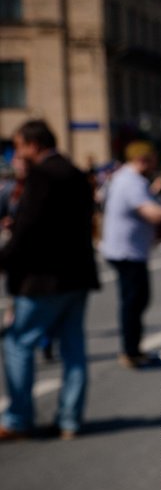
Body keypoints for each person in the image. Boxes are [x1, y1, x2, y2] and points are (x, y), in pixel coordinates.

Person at [0, 120, 99, 441]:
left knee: (17, 342)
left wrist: (5, 260)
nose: (17, 152)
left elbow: (27, 227)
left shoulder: (41, 175)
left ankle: (18, 419)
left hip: (42, 278)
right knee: (73, 347)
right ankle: (70, 420)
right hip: (78, 274)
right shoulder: (74, 172)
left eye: (19, 145)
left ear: (34, 144)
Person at [99, 140, 161, 369]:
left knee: (135, 300)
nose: (154, 164)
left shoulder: (124, 177)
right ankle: (131, 352)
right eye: (151, 159)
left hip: (124, 249)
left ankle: (133, 349)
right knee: (135, 301)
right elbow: (151, 213)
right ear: (142, 159)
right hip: (128, 252)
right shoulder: (132, 181)